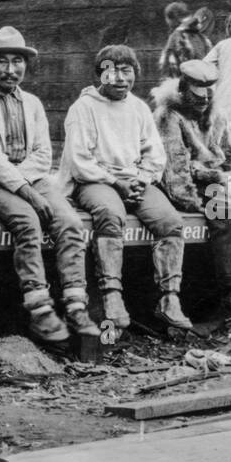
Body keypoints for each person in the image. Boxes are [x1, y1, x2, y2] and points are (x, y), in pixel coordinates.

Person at [0, 26, 100, 345]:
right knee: (27, 221)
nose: (10, 69)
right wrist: (26, 191)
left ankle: (76, 305)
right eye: (3, 61)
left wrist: (24, 181)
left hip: (28, 179)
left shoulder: (32, 103)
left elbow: (43, 154)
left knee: (70, 222)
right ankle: (39, 309)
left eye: (17, 61)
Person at [60, 44, 192, 329]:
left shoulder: (139, 108)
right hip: (96, 179)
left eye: (126, 71)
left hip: (134, 180)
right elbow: (78, 159)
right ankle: (112, 294)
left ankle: (169, 297)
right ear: (99, 75)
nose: (119, 78)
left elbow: (155, 153)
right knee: (110, 214)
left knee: (170, 221)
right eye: (111, 71)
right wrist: (116, 183)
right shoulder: (84, 107)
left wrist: (141, 180)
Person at [152, 60, 231, 315]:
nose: (203, 103)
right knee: (225, 211)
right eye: (197, 99)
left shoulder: (215, 114)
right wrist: (200, 197)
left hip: (218, 180)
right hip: (188, 185)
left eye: (207, 98)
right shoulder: (169, 116)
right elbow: (175, 170)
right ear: (184, 91)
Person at [159, 3, 212, 79]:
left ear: (172, 19)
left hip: (183, 82)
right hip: (203, 80)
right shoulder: (202, 37)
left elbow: (167, 64)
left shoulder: (176, 35)